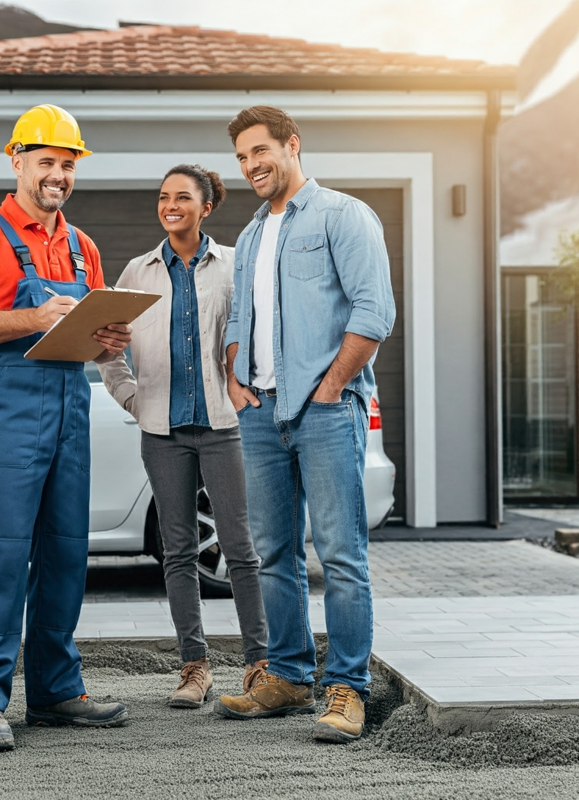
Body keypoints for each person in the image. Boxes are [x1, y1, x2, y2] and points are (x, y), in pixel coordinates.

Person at [0, 104, 132, 752]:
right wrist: (34, 318)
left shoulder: (84, 247)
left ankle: (54, 690)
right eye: (46, 161)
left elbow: (96, 350)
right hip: (6, 411)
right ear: (15, 159)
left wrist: (109, 341)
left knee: (66, 552)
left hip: (69, 408)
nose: (57, 175)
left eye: (68, 164)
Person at [214, 106, 396, 744]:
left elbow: (375, 310)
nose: (251, 166)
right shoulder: (254, 233)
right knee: (274, 555)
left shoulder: (343, 216)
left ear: (292, 146)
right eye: (241, 158)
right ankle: (288, 677)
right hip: (261, 415)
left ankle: (347, 687)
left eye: (260, 151)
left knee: (341, 556)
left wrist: (332, 385)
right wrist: (236, 381)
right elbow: (241, 322)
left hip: (325, 410)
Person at [99, 164, 268, 708]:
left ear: (206, 207)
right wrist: (131, 397)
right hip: (162, 432)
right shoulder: (137, 272)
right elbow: (108, 349)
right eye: (163, 196)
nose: (170, 205)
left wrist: (249, 395)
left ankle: (260, 664)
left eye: (182, 197)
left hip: (224, 428)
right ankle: (195, 669)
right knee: (177, 551)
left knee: (240, 550)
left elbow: (256, 338)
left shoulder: (234, 268)